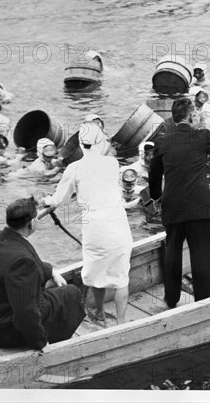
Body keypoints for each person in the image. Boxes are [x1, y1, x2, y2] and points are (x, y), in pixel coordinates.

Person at [148, 98, 210, 308]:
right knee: (202, 251)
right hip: (199, 207)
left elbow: (154, 175)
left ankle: (171, 298)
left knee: (172, 250)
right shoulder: (202, 136)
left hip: (172, 206)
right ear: (192, 116)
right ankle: (204, 298)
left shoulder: (162, 141)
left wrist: (156, 198)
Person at [0, 197, 85, 349]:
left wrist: (50, 270)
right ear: (32, 223)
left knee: (54, 294)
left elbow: (11, 262)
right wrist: (41, 343)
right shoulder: (23, 262)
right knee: (71, 293)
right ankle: (59, 337)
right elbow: (25, 313)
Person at [42, 123, 133, 325]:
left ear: (81, 145)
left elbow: (60, 199)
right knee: (121, 276)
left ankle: (98, 312)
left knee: (95, 272)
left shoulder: (75, 168)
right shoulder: (112, 163)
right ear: (100, 142)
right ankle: (122, 322)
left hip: (95, 228)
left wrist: (49, 201)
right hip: (118, 224)